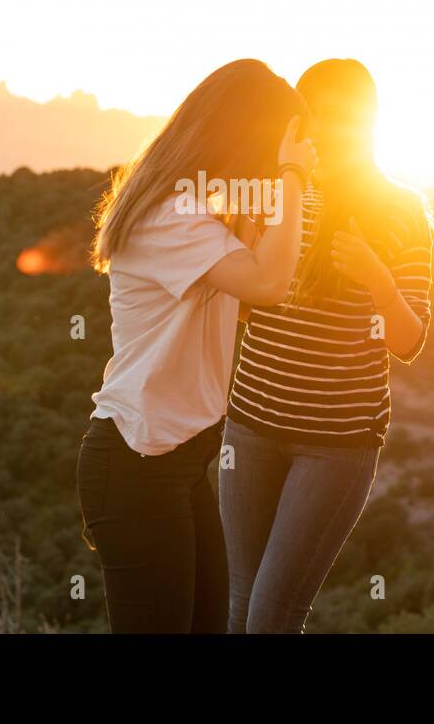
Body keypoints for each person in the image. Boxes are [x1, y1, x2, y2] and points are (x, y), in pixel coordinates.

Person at [76, 58, 318, 633]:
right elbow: (269, 283)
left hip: (177, 462)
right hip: (137, 464)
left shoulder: (203, 213)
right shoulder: (172, 215)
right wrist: (291, 176)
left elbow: (267, 284)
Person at [219, 58, 434, 633]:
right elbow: (243, 307)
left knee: (270, 616)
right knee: (237, 601)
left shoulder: (403, 209)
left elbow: (409, 340)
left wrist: (378, 283)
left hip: (335, 445)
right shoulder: (274, 193)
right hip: (249, 425)